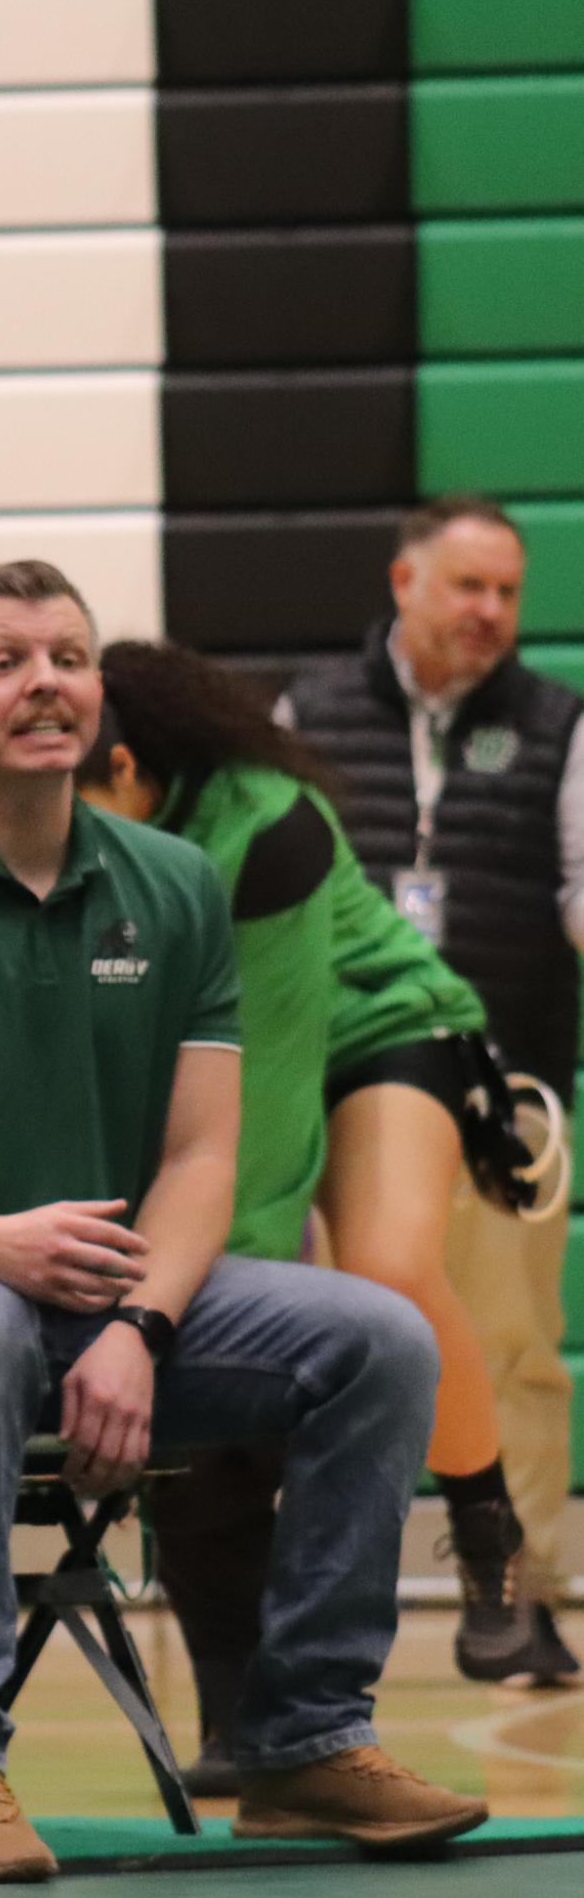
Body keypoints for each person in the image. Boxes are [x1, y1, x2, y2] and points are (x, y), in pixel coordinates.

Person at [0, 558, 488, 1884]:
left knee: (377, 1336)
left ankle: (301, 1738)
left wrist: (141, 1324)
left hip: (104, 1301)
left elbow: (205, 1151)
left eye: (68, 656)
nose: (46, 681)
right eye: (4, 661)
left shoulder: (174, 883)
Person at [75, 642, 562, 1797]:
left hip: (382, 1029)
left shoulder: (270, 826)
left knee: (387, 1265)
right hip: (264, 1059)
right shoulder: (114, 838)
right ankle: (235, 1724)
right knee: (212, 1372)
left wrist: (196, 1293)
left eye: (79, 792)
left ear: (132, 768)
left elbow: (272, 1076)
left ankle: (487, 1539)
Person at [284, 497, 581, 1681]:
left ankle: (522, 1599)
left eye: (507, 592)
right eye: (467, 587)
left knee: (511, 1348)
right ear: (403, 583)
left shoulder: (558, 725)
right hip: (337, 1089)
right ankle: (298, 1602)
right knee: (311, 1342)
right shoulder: (302, 714)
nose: (491, 614)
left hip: (504, 1092)